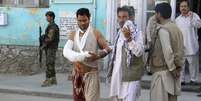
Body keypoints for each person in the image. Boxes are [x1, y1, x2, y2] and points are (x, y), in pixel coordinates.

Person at [63, 8, 111, 101]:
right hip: (77, 75)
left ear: (89, 18)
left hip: (91, 75)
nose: (82, 23)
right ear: (77, 20)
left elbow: (107, 48)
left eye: (85, 20)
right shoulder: (73, 34)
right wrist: (79, 57)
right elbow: (66, 51)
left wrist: (98, 56)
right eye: (79, 21)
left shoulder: (95, 33)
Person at [149, 3, 184, 101]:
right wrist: (178, 68)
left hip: (163, 74)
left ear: (159, 14)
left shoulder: (163, 30)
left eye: (155, 13)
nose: (155, 16)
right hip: (173, 72)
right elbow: (182, 49)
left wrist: (173, 70)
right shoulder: (176, 28)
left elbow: (167, 52)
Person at [109, 6, 144, 101]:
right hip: (118, 75)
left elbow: (139, 52)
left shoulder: (137, 33)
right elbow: (118, 49)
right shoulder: (119, 33)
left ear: (130, 18)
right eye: (119, 17)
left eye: (124, 17)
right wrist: (105, 50)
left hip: (131, 77)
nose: (121, 20)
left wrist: (129, 39)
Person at [175, 0, 201, 85]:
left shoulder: (194, 16)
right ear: (179, 8)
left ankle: (193, 80)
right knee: (181, 65)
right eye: (181, 6)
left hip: (192, 45)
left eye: (185, 6)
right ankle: (181, 80)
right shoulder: (177, 20)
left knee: (193, 65)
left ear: (188, 7)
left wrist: (191, 17)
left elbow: (198, 25)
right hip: (181, 46)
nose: (183, 8)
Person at [41, 11, 60, 87]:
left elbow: (50, 38)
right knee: (51, 63)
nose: (46, 18)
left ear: (51, 17)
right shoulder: (51, 25)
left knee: (49, 63)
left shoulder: (52, 26)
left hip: (51, 48)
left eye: (47, 16)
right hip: (51, 47)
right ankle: (53, 79)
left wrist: (43, 43)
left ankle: (48, 80)